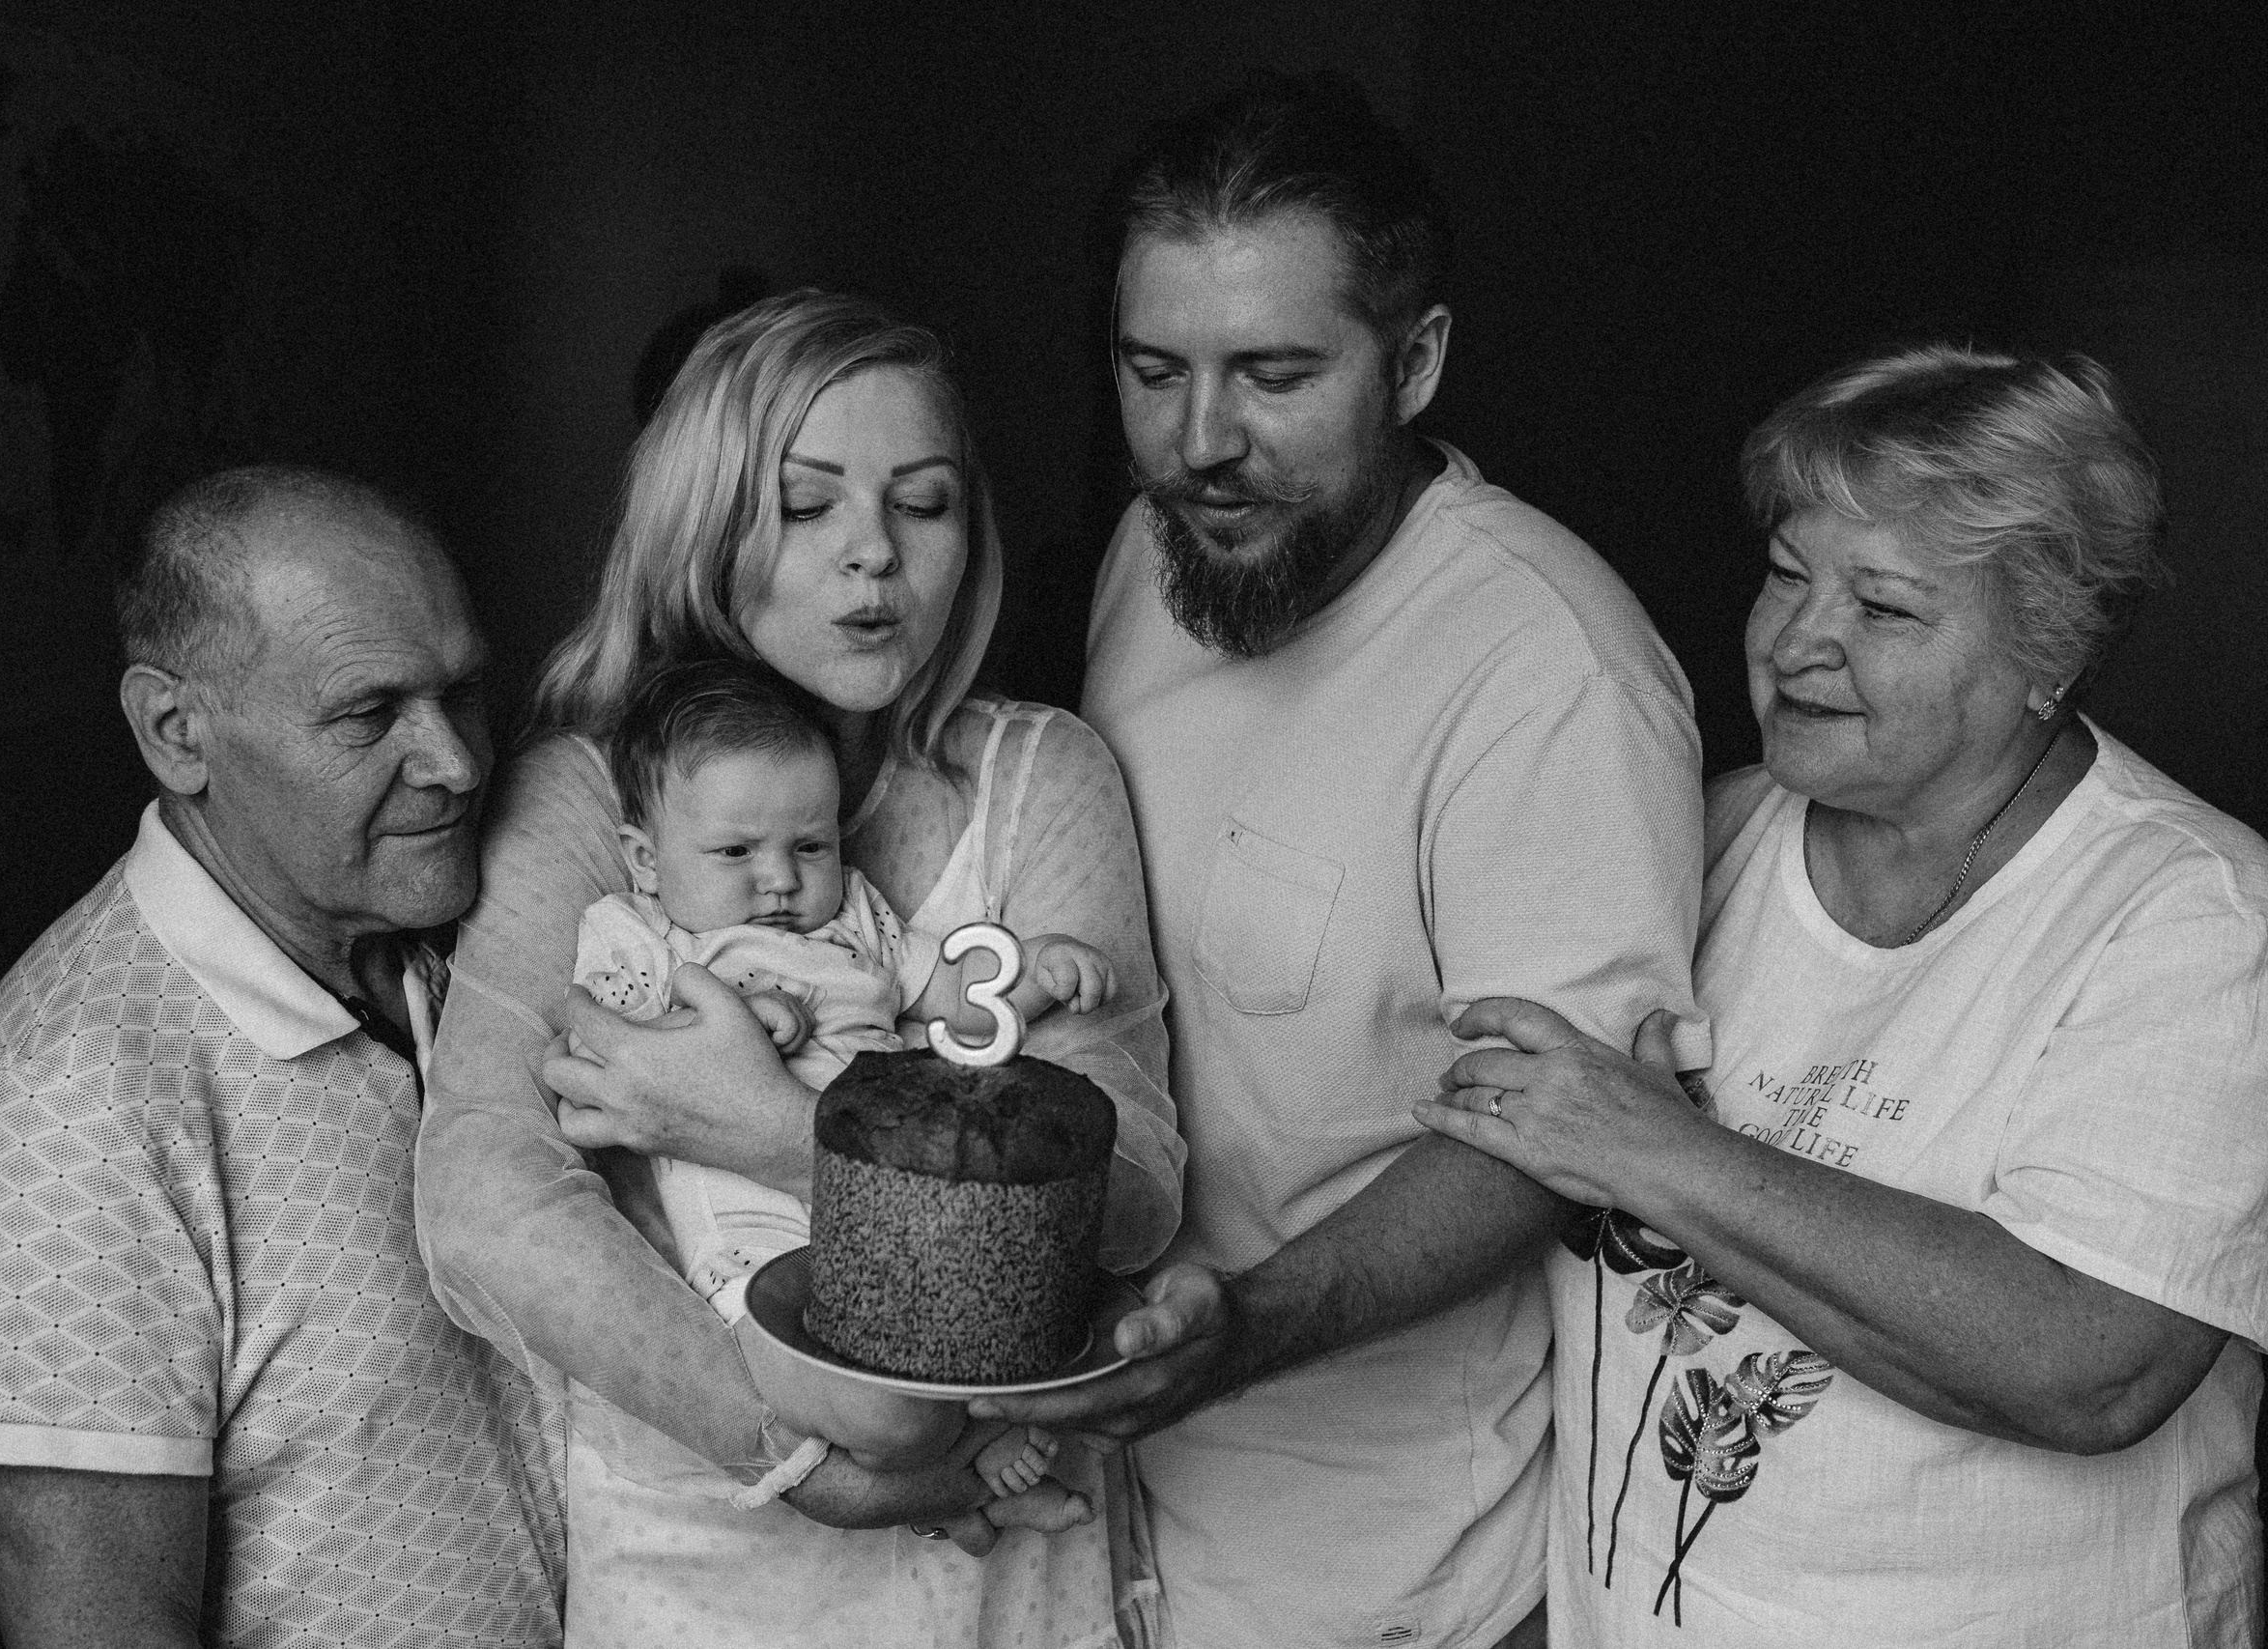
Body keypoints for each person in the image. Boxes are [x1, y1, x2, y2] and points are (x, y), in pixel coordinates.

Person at [985, 73, 1708, 1649]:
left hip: (1404, 1588)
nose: (1199, 443)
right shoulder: (1152, 547)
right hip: (1103, 1546)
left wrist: (1235, 1329)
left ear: (1417, 362)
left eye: (1276, 374)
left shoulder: (1547, 671)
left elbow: (1557, 1136)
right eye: (1152, 367)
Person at [1420, 344, 2268, 1645]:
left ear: (2050, 649)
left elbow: (2088, 1363)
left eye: (1884, 607)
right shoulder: (1702, 838)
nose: (1799, 638)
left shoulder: (2192, 914)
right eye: (1786, 575)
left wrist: (1651, 1145)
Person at [413, 289, 1183, 1648]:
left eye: (925, 501)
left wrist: (770, 1130)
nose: (873, 556)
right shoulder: (593, 797)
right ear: (706, 522)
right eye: (808, 502)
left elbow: (1123, 1200)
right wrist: (813, 1464)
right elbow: (486, 1199)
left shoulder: (1041, 777)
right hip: (706, 1544)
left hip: (1006, 1563)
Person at [0, 467, 563, 1647]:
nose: (458, 763)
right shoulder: (68, 1108)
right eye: (370, 715)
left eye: (462, 692)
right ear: (177, 734)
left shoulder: (476, 939)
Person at [570, 655, 1109, 1535]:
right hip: (753, 1253)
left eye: (809, 845)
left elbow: (955, 999)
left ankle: (972, 1476)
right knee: (889, 1416)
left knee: (994, 1338)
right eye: (737, 851)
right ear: (645, 857)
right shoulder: (641, 933)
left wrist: (1040, 971)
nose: (780, 879)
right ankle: (966, 1483)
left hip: (895, 1228)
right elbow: (606, 1046)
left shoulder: (857, 919)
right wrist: (733, 1018)